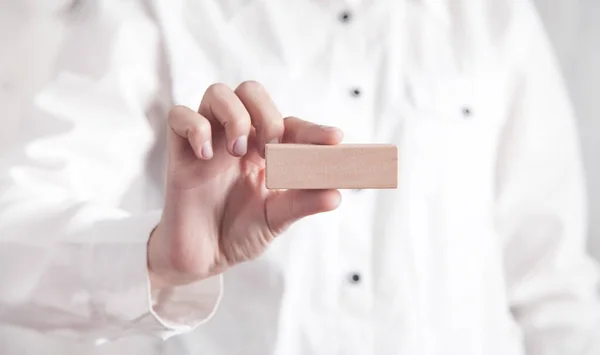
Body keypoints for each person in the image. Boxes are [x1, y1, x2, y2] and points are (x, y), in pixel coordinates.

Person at [0, 0, 599, 354]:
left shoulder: (496, 19)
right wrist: (156, 259)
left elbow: (551, 279)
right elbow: (11, 244)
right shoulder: (156, 11)